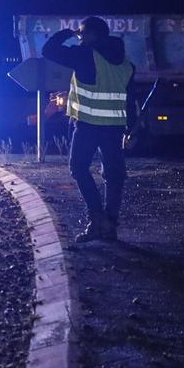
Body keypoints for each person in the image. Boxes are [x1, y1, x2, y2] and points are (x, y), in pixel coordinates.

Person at [43, 16, 137, 242]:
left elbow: (49, 50)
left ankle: (98, 220)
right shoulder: (126, 64)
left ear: (93, 35)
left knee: (78, 167)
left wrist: (68, 32)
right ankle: (110, 225)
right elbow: (130, 99)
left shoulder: (86, 55)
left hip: (87, 125)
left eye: (83, 33)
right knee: (113, 174)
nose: (81, 38)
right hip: (114, 127)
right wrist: (132, 129)